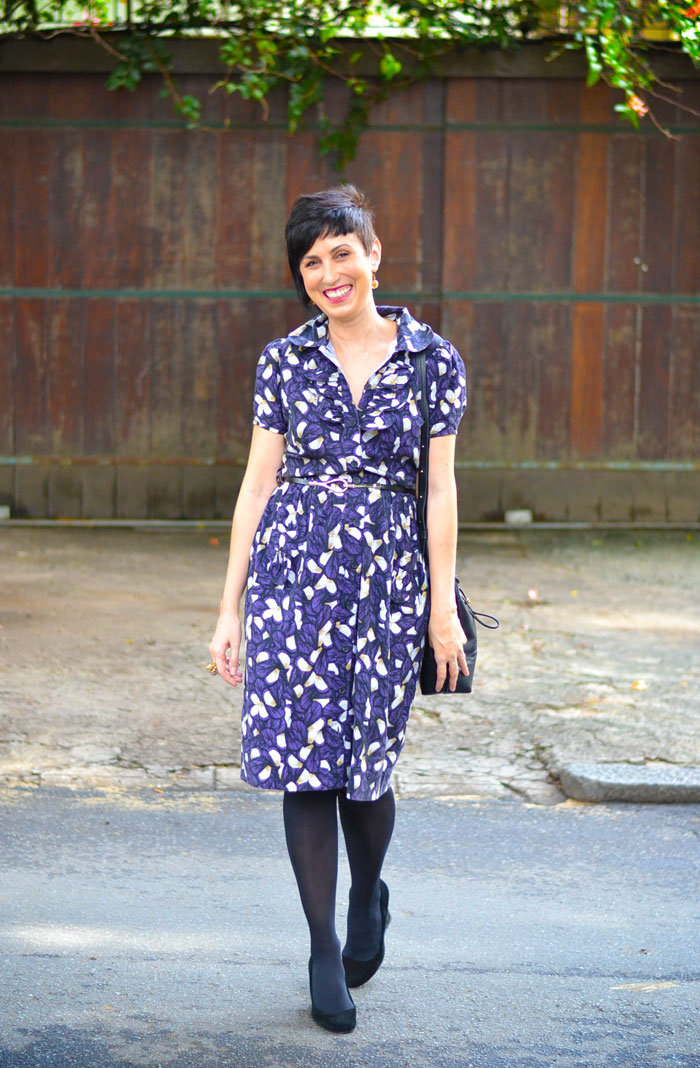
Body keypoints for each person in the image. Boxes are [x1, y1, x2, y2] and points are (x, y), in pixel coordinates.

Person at [208, 184, 468, 1033]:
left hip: (388, 585)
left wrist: (440, 611)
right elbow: (257, 485)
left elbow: (439, 490)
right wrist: (229, 608)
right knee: (303, 765)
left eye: (342, 253)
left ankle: (367, 895)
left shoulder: (433, 360)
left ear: (374, 254)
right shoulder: (283, 362)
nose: (329, 273)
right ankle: (323, 946)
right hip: (292, 580)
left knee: (367, 768)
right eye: (312, 262)